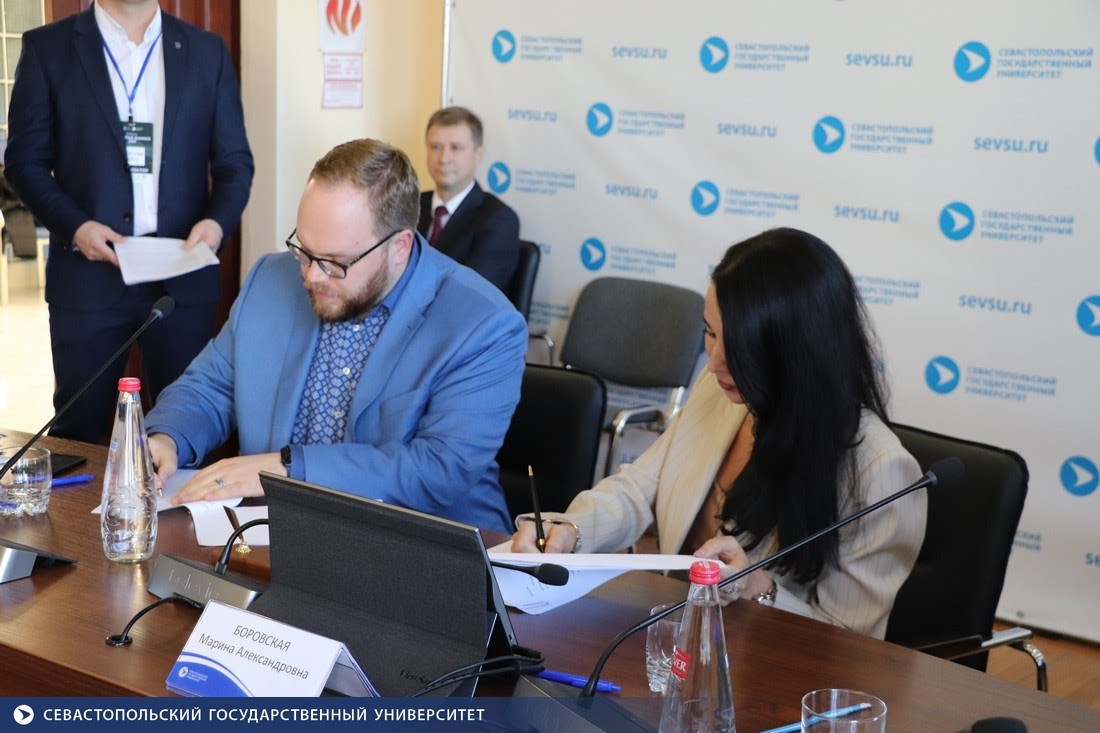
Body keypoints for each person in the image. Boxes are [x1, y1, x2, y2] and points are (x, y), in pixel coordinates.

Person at [512, 228, 927, 639]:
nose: (713, 363)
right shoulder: (720, 390)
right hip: (675, 637)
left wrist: (758, 588)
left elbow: (851, 642)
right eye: (710, 334)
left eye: (741, 348)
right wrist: (572, 531)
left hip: (766, 661)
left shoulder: (882, 471)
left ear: (797, 352)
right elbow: (638, 488)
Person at [145, 138, 527, 532]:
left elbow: (437, 469)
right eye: (305, 251)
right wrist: (167, 437)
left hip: (422, 543)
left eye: (335, 262)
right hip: (271, 533)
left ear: (400, 246)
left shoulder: (482, 323)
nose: (312, 275)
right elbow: (212, 386)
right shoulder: (271, 278)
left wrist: (287, 469)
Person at [4, 0, 254, 443]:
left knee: (188, 429)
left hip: (181, 276)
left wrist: (216, 226)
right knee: (78, 431)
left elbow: (235, 164)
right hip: (88, 275)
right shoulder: (48, 48)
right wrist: (76, 227)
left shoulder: (206, 51)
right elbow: (24, 163)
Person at [416, 106, 520, 293]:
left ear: (478, 155)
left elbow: (470, 294)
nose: (443, 158)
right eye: (435, 147)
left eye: (456, 148)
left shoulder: (499, 219)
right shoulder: (410, 205)